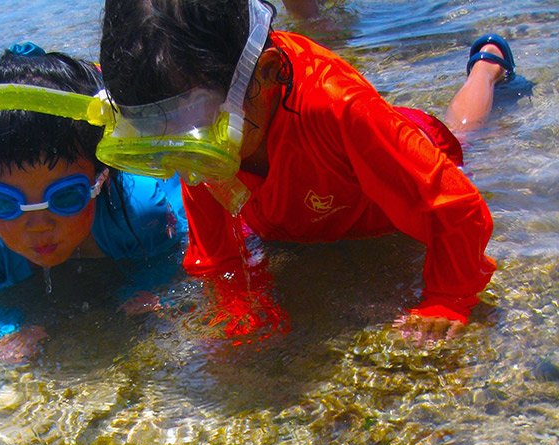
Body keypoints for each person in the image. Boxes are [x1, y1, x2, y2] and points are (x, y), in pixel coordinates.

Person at [98, 0, 532, 342]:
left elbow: (455, 206)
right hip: (302, 212)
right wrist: (236, 304)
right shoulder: (200, 123)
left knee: (466, 134)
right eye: (152, 130)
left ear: (265, 74)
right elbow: (218, 252)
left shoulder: (336, 105)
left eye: (194, 123)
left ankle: (486, 68)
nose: (179, 149)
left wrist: (447, 298)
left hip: (377, 192)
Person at [0, 45, 187, 359]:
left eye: (65, 197)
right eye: (3, 202)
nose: (38, 225)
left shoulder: (138, 214)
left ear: (100, 177)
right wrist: (4, 329)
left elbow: (171, 256)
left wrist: (147, 286)